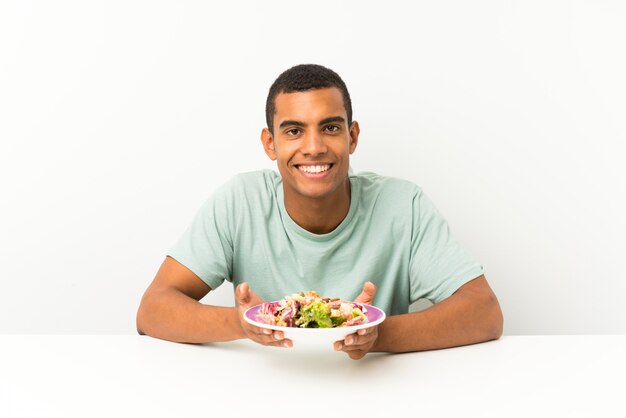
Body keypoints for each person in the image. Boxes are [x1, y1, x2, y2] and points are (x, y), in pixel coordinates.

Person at [136, 64, 503, 360]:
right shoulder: (239, 201)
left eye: (329, 128)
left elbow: (484, 312)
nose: (313, 147)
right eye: (294, 131)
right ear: (270, 144)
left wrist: (372, 334)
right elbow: (153, 309)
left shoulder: (402, 204)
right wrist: (242, 322)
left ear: (352, 137)